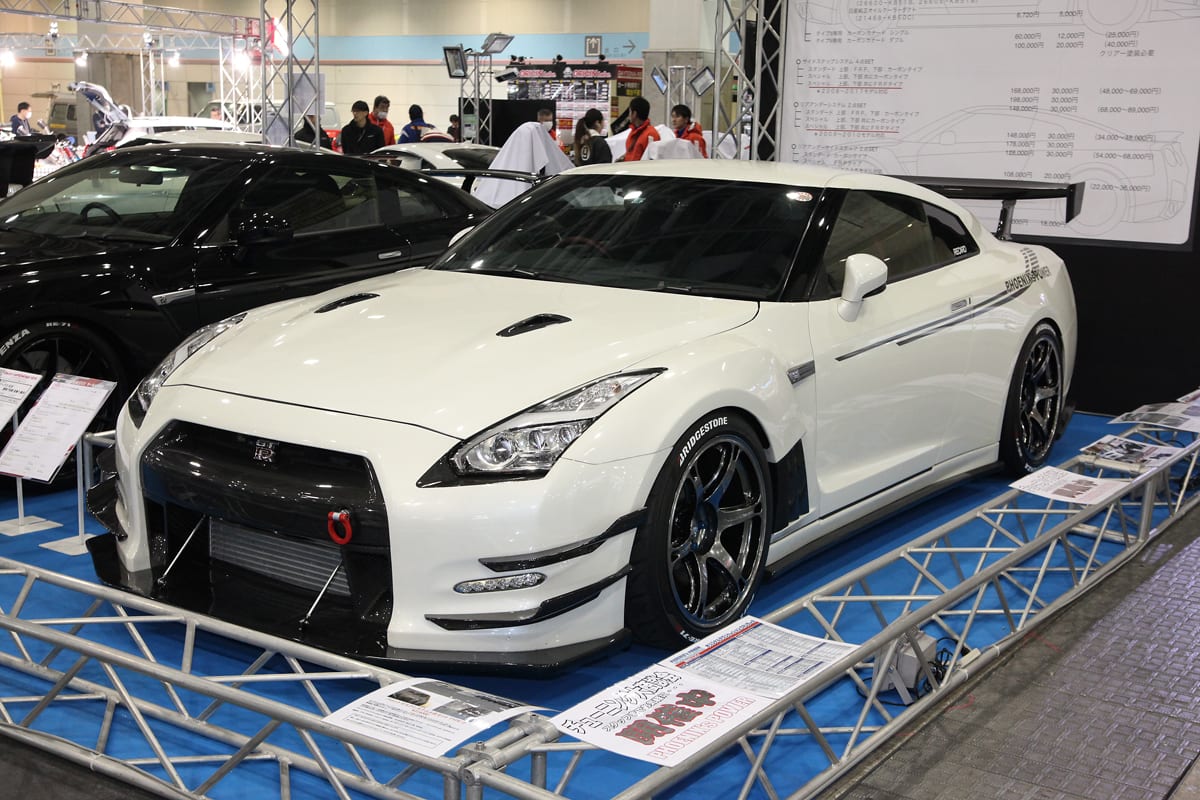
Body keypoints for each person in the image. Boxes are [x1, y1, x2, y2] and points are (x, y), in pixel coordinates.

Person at [617, 96, 659, 162]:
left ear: (634, 114)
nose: (629, 115)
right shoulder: (633, 132)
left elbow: (653, 160)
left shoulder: (651, 134)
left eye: (630, 111)